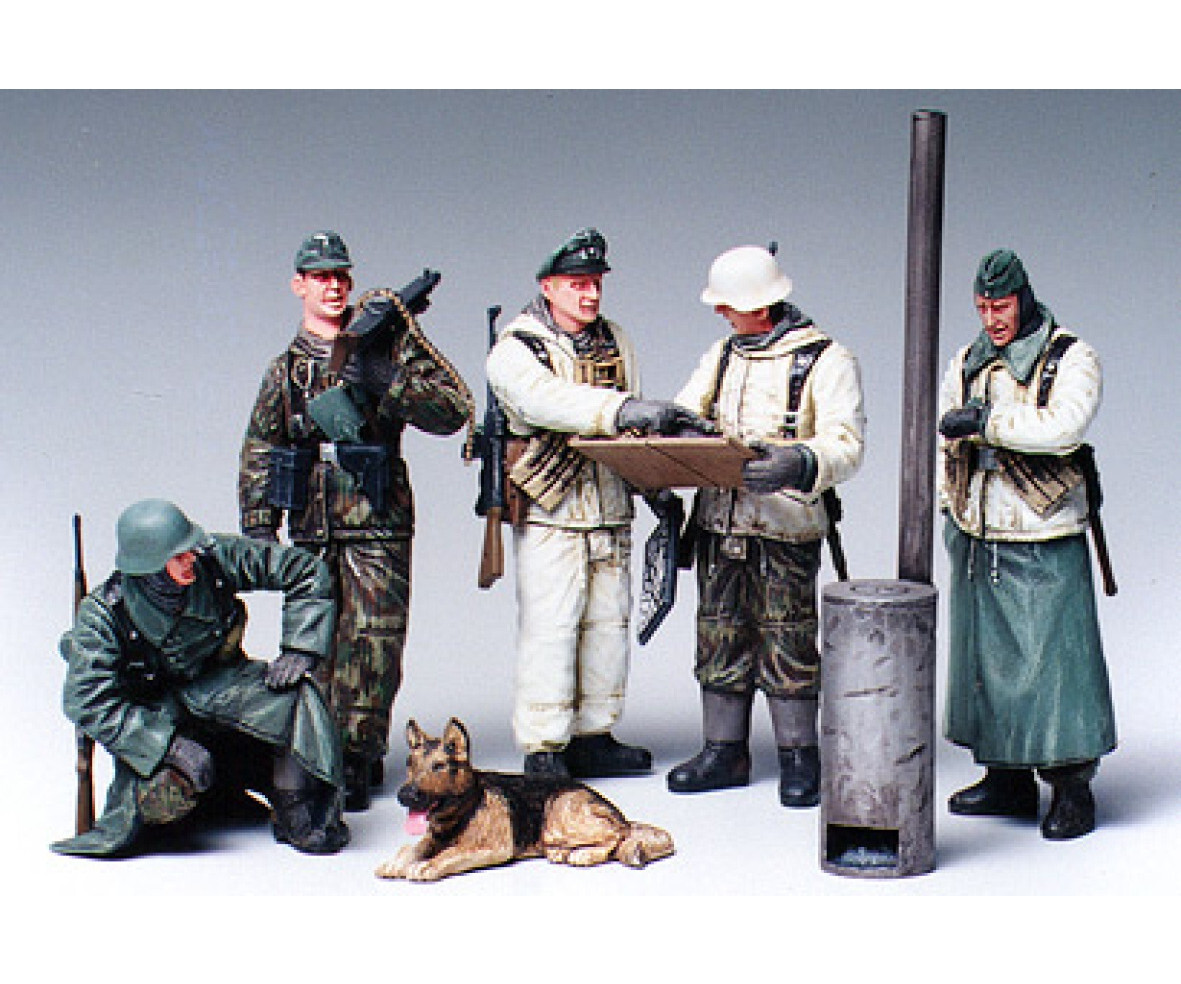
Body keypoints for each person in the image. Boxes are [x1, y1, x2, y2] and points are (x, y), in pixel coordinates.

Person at [238, 231, 472, 810]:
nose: (334, 286)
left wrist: (384, 377)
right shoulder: (286, 370)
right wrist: (260, 525)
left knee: (373, 644)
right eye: (321, 277)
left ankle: (360, 755)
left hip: (376, 517)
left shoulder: (385, 346)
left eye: (341, 276)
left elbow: (452, 411)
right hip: (312, 523)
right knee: (312, 642)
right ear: (299, 285)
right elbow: (262, 445)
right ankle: (318, 753)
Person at [486, 228, 708, 778]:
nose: (590, 294)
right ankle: (544, 744)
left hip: (609, 505)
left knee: (608, 624)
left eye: (595, 284)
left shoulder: (616, 340)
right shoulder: (517, 348)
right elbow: (544, 402)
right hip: (553, 509)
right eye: (577, 284)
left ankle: (594, 733)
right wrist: (623, 410)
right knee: (552, 626)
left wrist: (655, 482)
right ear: (548, 287)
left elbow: (630, 429)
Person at [668, 244, 865, 807]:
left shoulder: (825, 359)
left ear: (759, 305)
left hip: (785, 528)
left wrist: (799, 461)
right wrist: (677, 436)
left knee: (789, 637)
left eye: (728, 303)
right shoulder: (721, 357)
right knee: (718, 632)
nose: (719, 313)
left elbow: (846, 443)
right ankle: (723, 749)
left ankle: (800, 755)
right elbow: (686, 412)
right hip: (721, 523)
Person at [53, 499, 349, 858]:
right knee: (164, 795)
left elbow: (303, 569)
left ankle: (295, 810)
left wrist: (301, 647)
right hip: (156, 716)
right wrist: (167, 745)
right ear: (149, 565)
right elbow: (86, 699)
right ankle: (203, 803)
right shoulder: (103, 615)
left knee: (298, 697)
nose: (191, 558)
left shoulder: (212, 558)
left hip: (221, 688)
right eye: (178, 556)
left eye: (189, 549)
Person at [938, 248, 1116, 840]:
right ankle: (1005, 776)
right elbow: (945, 436)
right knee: (985, 664)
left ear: (1024, 299)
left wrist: (988, 423)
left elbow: (1063, 428)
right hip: (979, 531)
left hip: (1042, 532)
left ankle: (1071, 786)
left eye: (1002, 306)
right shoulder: (968, 361)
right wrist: (950, 509)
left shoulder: (1069, 357)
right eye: (983, 307)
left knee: (1055, 666)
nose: (993, 319)